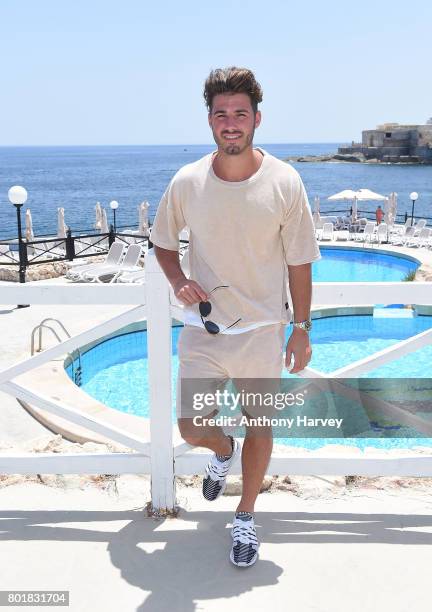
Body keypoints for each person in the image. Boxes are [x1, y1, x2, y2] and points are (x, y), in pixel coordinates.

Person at [150, 66, 321, 567]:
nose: (231, 123)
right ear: (210, 121)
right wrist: (178, 279)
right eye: (222, 114)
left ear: (256, 120)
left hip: (263, 333)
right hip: (204, 331)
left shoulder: (286, 181)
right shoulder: (187, 182)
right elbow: (162, 243)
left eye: (239, 114)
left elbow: (299, 261)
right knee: (190, 426)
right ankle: (221, 450)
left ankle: (245, 515)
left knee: (260, 425)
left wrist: (302, 328)